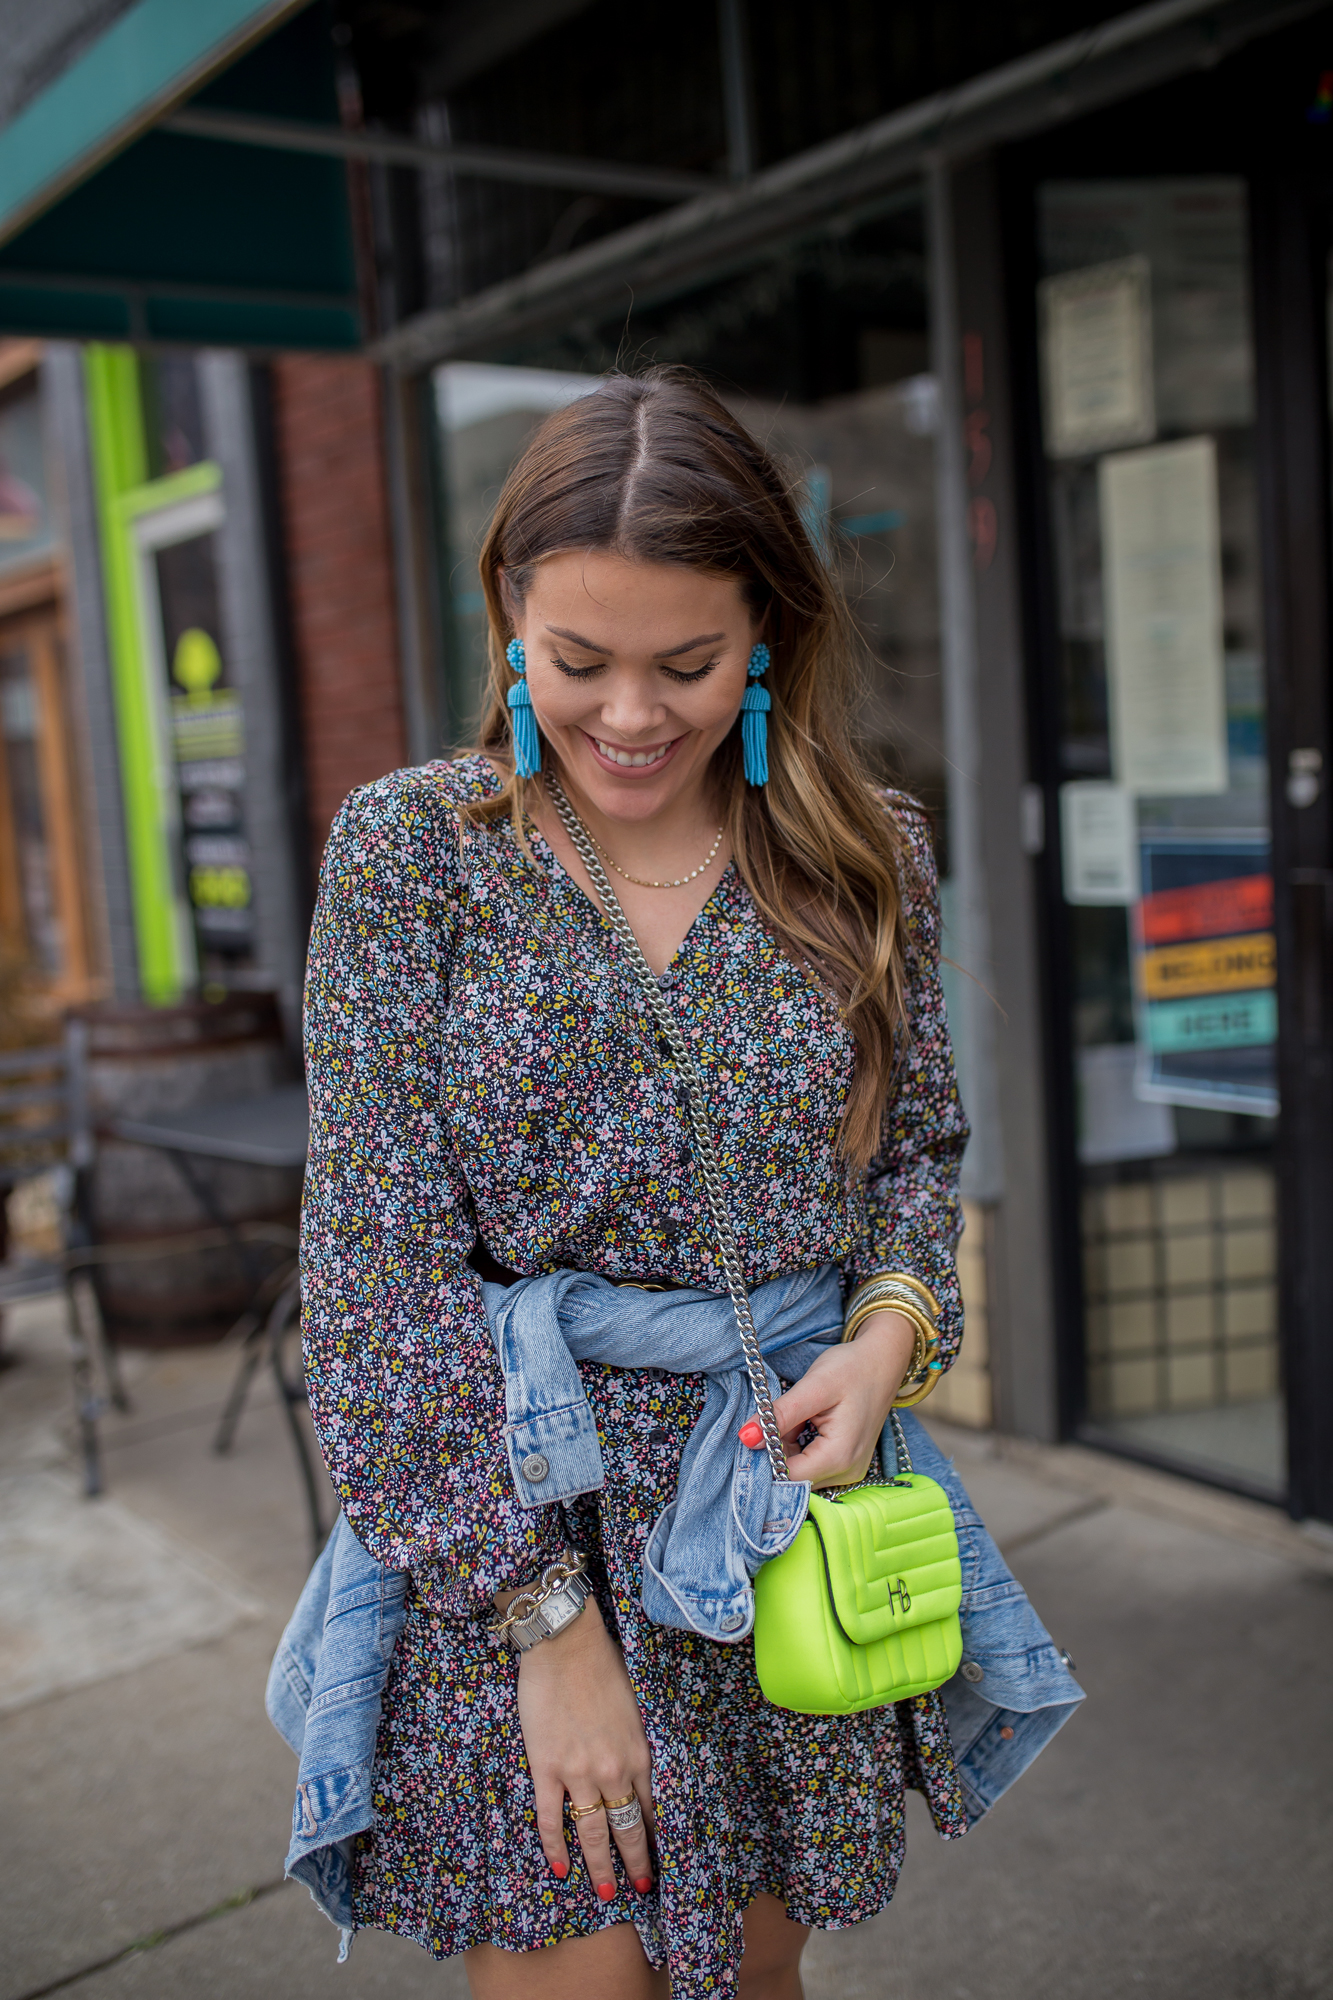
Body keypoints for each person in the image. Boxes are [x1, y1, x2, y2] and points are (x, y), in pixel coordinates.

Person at [300, 367, 972, 2000]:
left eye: (685, 664)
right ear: (507, 623)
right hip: (511, 1522)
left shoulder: (858, 856)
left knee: (755, 1977)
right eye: (576, 660)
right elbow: (371, 1276)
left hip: (773, 1520)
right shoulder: (416, 854)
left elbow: (914, 1164)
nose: (626, 716)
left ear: (765, 637)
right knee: (580, 1977)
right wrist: (542, 1624)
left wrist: (885, 1342)